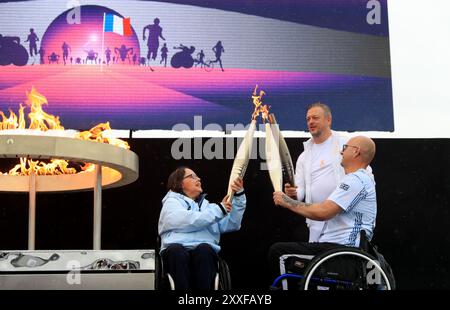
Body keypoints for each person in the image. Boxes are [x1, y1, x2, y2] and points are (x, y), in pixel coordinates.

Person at [270, 136, 377, 280]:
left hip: (342, 251)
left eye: (345, 148)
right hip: (333, 248)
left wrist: (287, 202)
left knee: (279, 252)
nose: (341, 152)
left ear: (356, 151)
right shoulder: (355, 179)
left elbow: (324, 212)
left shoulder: (357, 180)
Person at [285, 102, 371, 243]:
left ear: (328, 120)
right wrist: (293, 193)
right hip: (316, 223)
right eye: (308, 119)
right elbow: (300, 192)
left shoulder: (347, 144)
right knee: (317, 263)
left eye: (315, 118)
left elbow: (366, 175)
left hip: (344, 222)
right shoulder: (304, 156)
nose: (311, 122)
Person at [158, 167, 246, 289]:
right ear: (178, 183)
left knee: (204, 250)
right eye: (192, 176)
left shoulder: (210, 207)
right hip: (176, 251)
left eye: (197, 176)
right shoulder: (171, 203)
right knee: (177, 251)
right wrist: (220, 210)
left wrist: (238, 196)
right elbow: (187, 220)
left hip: (203, 251)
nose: (198, 178)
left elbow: (232, 223)